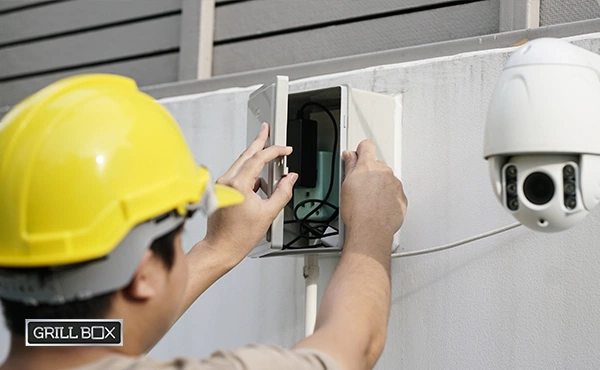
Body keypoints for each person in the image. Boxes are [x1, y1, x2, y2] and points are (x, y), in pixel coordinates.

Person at [0, 74, 407, 370]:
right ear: (143, 273)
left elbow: (83, 333)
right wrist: (372, 225)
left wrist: (217, 249)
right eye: (180, 239)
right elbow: (351, 351)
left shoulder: (47, 338)